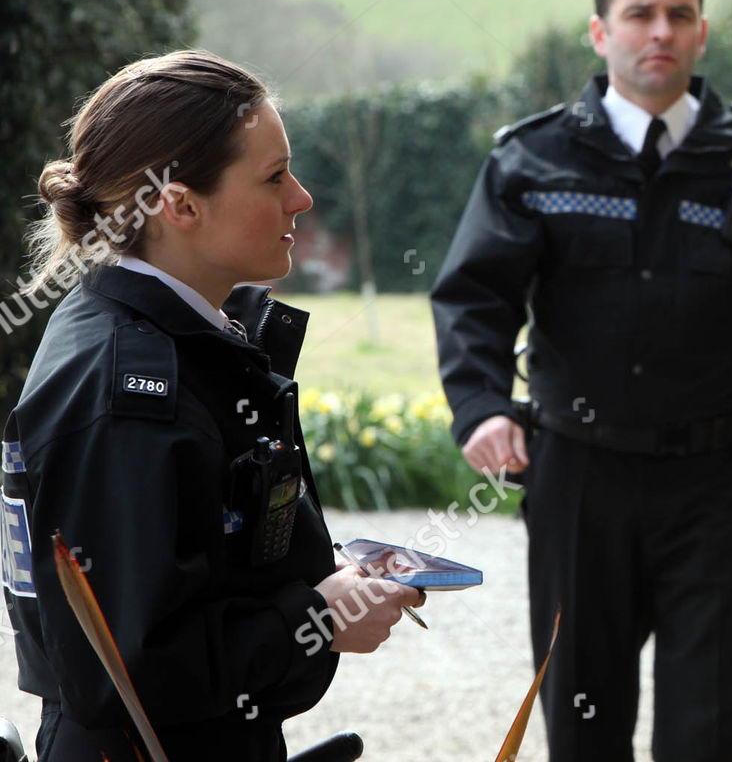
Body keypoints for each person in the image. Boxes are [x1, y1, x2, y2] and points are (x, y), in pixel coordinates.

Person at [431, 0, 732, 761]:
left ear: (702, 33)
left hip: (717, 484)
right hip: (577, 480)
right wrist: (481, 406)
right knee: (583, 723)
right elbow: (473, 297)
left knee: (711, 724)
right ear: (600, 32)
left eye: (679, 15)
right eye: (639, 14)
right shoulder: (532, 158)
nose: (659, 31)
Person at [1, 50, 423, 761]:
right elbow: (129, 671)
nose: (302, 198)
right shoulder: (126, 391)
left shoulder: (174, 335)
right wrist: (321, 615)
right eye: (273, 176)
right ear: (181, 205)